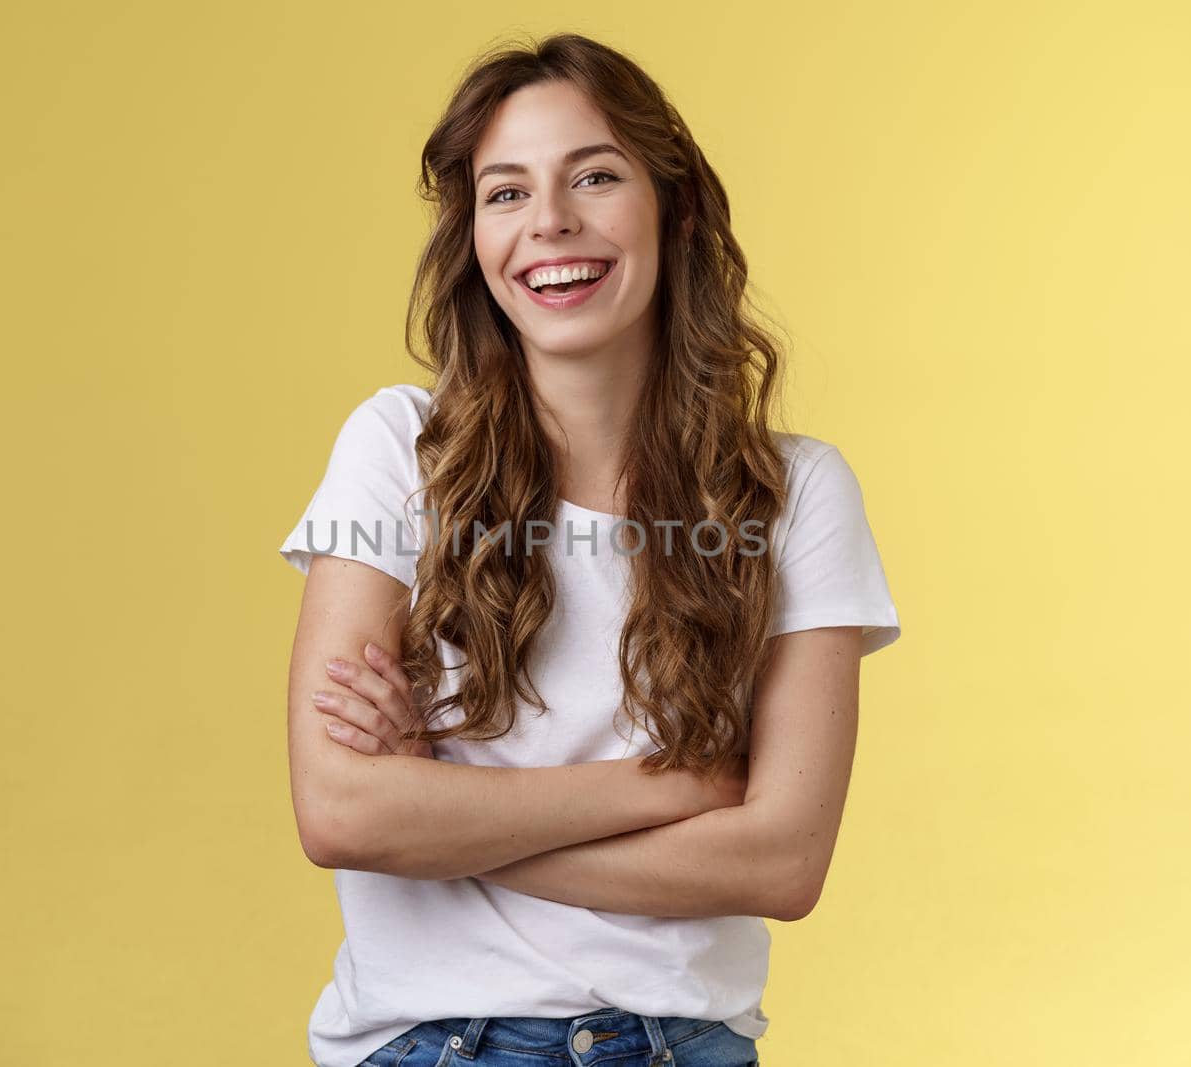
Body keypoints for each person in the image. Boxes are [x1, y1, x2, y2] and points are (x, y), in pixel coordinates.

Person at [278, 32, 901, 1067]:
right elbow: (342, 809)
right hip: (433, 1046)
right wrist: (671, 787)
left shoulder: (795, 492)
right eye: (506, 192)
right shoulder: (397, 449)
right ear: (473, 237)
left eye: (595, 177)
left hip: (684, 1045)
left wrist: (442, 818)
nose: (550, 224)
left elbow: (783, 859)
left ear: (677, 207)